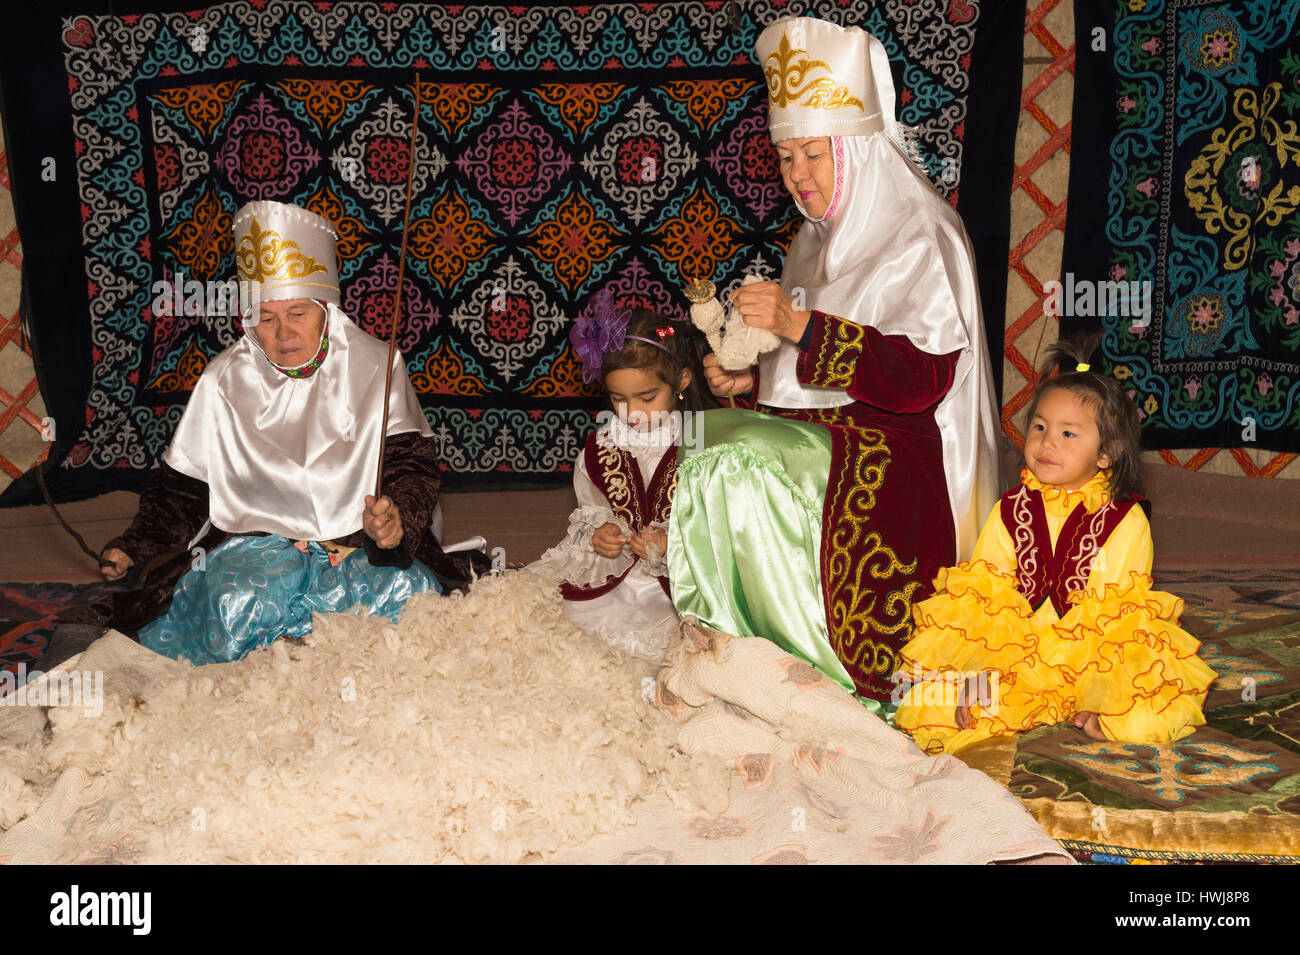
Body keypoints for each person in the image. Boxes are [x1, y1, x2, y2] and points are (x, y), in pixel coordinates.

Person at [670, 16, 1001, 713]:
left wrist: (797, 324)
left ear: (857, 149)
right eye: (786, 159)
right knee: (699, 441)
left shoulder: (925, 232)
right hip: (832, 433)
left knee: (741, 459)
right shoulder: (809, 243)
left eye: (814, 156)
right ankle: (740, 648)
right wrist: (749, 380)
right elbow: (803, 375)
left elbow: (921, 381)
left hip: (902, 450)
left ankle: (811, 671)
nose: (798, 177)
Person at [49, 200, 470, 667]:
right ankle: (285, 670)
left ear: (326, 312)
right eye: (267, 318)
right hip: (253, 550)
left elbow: (411, 466)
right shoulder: (222, 379)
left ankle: (309, 661)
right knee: (234, 604)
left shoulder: (377, 365)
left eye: (298, 314)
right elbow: (181, 490)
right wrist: (134, 545)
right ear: (249, 321)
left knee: (408, 596)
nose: (283, 333)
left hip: (356, 544)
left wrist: (394, 521)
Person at [892, 339, 1216, 755]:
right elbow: (983, 602)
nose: (1047, 443)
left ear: (1105, 455)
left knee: (1155, 698)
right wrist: (982, 672)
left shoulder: (1125, 520)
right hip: (1016, 651)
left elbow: (1117, 619)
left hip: (1089, 652)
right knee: (929, 701)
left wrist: (1102, 690)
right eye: (1040, 427)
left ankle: (1097, 711)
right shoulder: (1011, 509)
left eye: (1068, 434)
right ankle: (1010, 700)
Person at [529, 297, 716, 664]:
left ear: (681, 381)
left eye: (647, 397)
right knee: (549, 626)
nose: (632, 413)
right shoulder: (601, 448)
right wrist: (601, 532)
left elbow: (722, 526)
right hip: (614, 576)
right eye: (619, 399)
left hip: (680, 585)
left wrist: (673, 541)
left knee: (676, 649)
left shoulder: (704, 444)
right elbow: (592, 511)